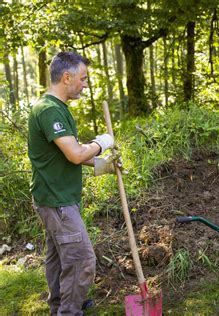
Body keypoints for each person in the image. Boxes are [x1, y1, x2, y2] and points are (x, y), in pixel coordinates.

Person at [28, 51, 117, 315]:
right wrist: (100, 144)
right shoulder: (48, 110)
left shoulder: (57, 109)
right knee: (81, 259)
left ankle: (61, 304)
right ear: (66, 77)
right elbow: (76, 153)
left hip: (56, 198)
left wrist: (103, 165)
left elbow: (72, 152)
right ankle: (69, 310)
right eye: (83, 78)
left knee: (58, 257)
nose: (85, 84)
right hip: (57, 202)